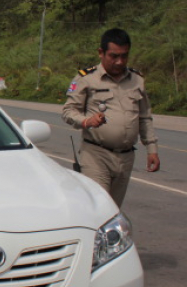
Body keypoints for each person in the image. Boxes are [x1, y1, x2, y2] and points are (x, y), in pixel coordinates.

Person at [62, 28, 160, 207]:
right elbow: (68, 111)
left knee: (113, 210)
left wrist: (152, 149)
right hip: (96, 155)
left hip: (126, 157)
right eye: (114, 56)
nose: (119, 61)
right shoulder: (86, 78)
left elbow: (144, 117)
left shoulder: (137, 80)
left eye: (124, 56)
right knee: (100, 207)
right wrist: (86, 121)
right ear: (101, 53)